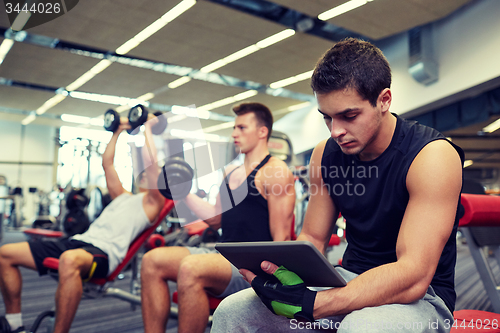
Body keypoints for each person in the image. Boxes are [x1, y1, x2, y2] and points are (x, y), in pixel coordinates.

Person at [210, 38, 464, 332]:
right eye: (327, 118)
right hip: (347, 277)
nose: (337, 131)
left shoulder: (431, 156)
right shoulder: (325, 153)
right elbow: (313, 239)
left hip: (422, 297)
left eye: (349, 115)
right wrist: (279, 276)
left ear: (384, 100)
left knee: (360, 328)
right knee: (233, 312)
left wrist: (316, 305)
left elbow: (414, 275)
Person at [140, 102, 296, 333]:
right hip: (222, 255)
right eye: (234, 128)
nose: (234, 134)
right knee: (152, 261)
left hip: (250, 265)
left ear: (262, 132)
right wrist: (182, 192)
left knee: (191, 267)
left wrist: (272, 287)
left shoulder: (275, 172)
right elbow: (215, 219)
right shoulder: (230, 171)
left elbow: (281, 238)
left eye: (242, 128)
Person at [0, 116, 165, 333]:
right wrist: (117, 132)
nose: (144, 175)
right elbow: (107, 163)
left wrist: (148, 130)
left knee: (68, 260)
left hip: (102, 253)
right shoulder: (123, 196)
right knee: (5, 253)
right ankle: (14, 324)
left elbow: (151, 165)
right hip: (77, 242)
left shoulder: (154, 203)